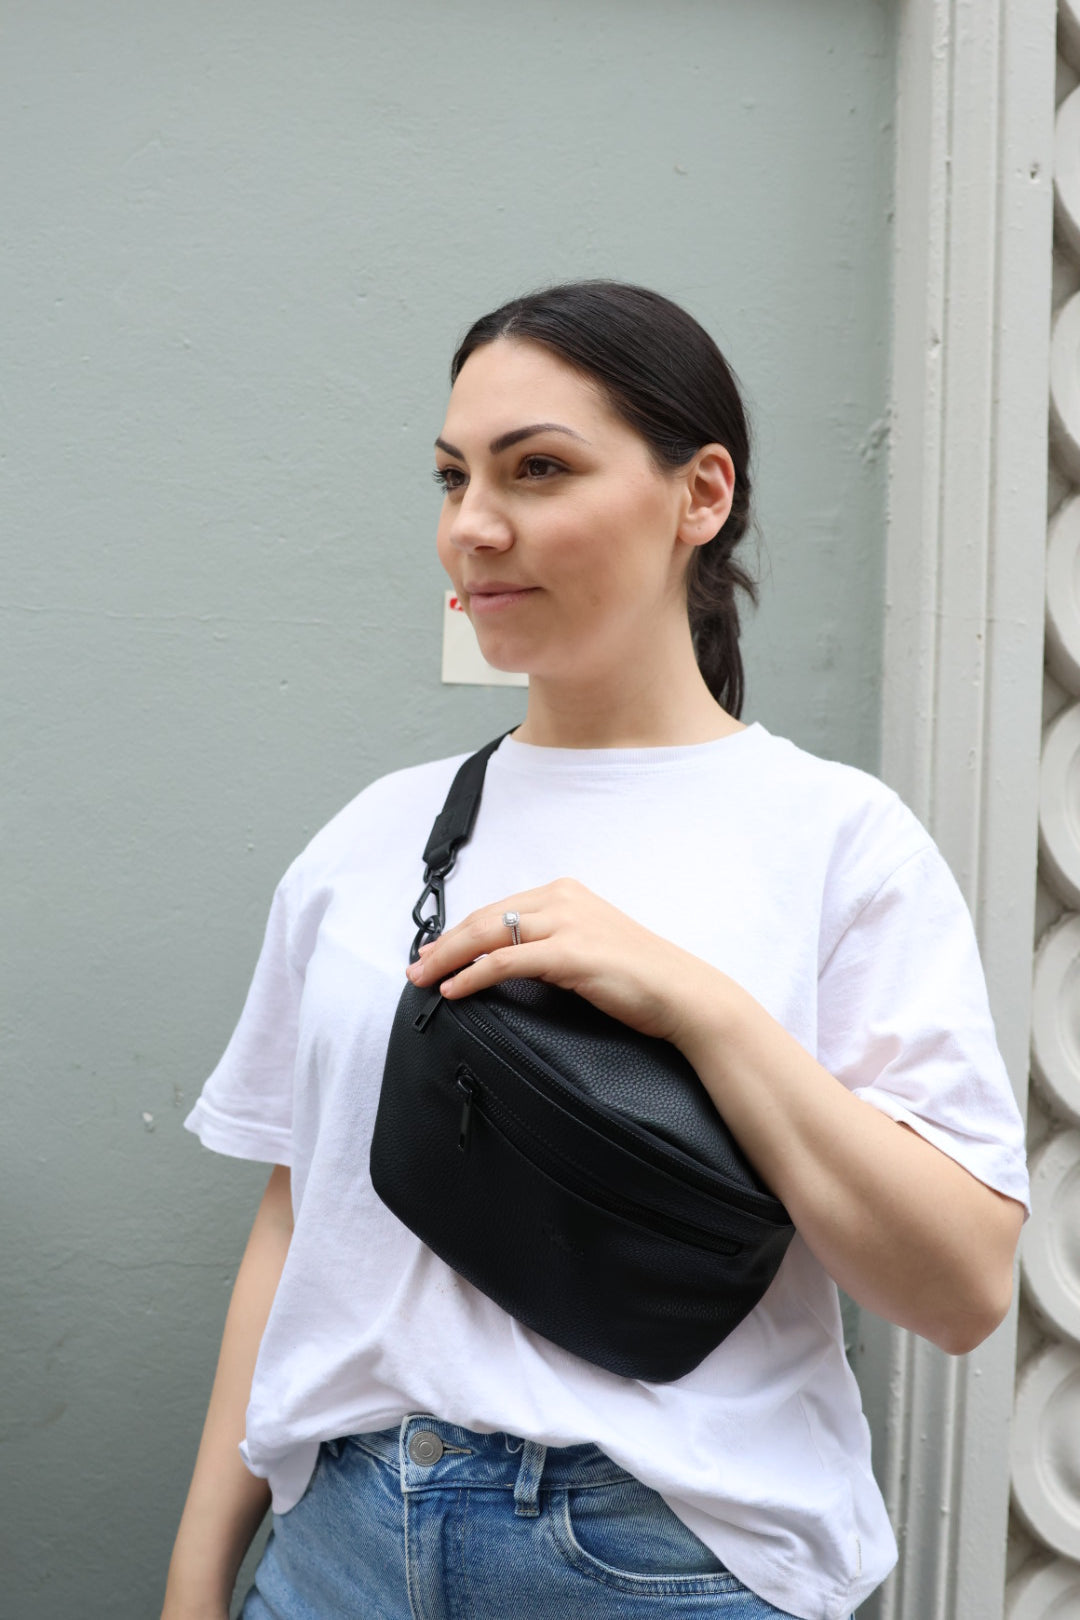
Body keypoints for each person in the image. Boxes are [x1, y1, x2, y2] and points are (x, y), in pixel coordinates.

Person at [162, 281, 1029, 1620]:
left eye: (538, 469)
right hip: (335, 1552)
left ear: (701, 495)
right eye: (452, 477)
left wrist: (701, 1008)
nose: (473, 524)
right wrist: (195, 1578)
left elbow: (962, 1289)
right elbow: (298, 1216)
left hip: (656, 1564)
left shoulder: (838, 842)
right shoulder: (370, 839)